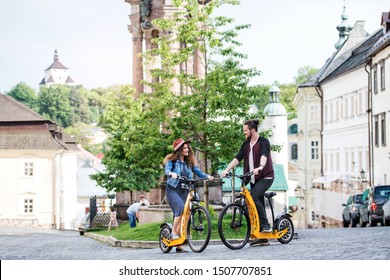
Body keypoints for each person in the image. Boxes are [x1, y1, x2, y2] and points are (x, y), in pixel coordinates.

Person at [221, 119, 274, 247]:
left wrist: (261, 166)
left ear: (253, 130)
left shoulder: (263, 141)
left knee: (253, 197)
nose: (244, 133)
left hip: (266, 177)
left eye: (245, 131)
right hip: (253, 178)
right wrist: (227, 169)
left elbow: (264, 155)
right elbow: (238, 158)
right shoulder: (245, 144)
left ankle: (266, 224)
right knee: (253, 203)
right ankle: (261, 236)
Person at [164, 138, 214, 253]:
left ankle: (179, 243)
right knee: (180, 209)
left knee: (186, 213)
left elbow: (198, 172)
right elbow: (167, 170)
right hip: (173, 190)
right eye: (185, 148)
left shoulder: (189, 163)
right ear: (179, 150)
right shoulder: (172, 161)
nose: (187, 149)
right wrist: (171, 173)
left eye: (187, 148)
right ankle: (173, 232)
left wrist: (207, 176)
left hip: (185, 190)